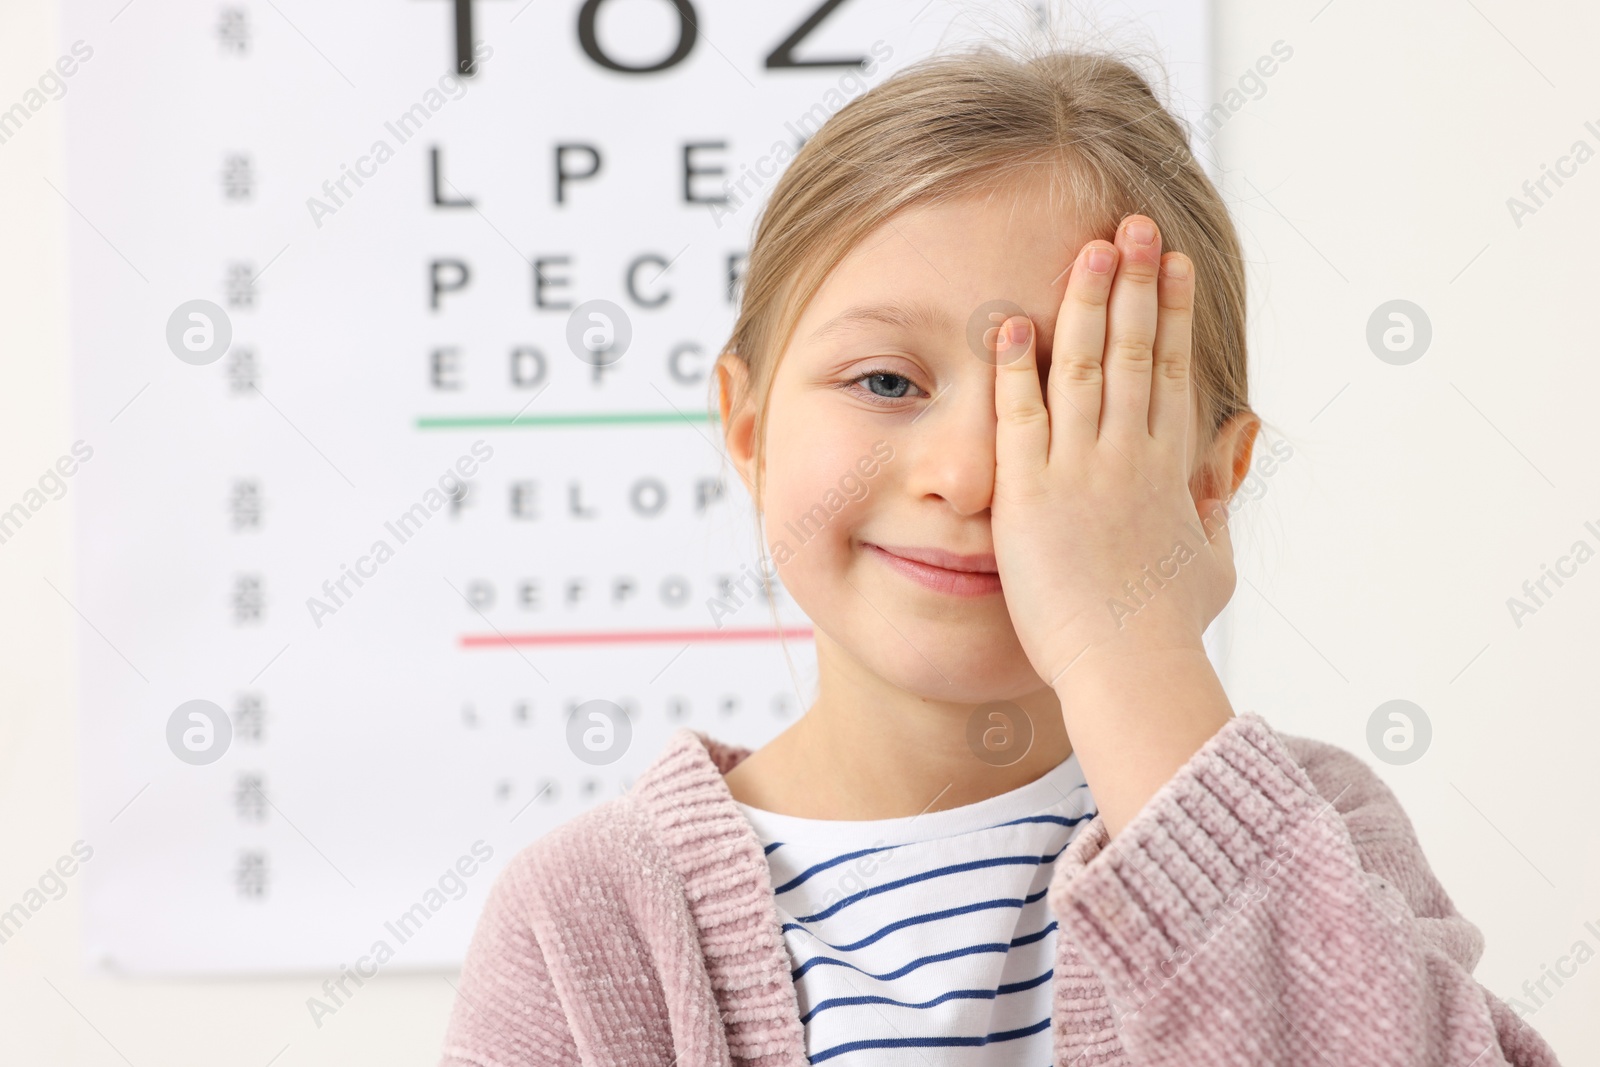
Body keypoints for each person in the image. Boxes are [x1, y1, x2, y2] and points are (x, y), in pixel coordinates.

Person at [436, 41, 1563, 1066]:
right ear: (746, 424)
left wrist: (1128, 639)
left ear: (1207, 484)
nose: (972, 475)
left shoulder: (1312, 834)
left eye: (1068, 406)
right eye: (885, 382)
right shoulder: (587, 923)